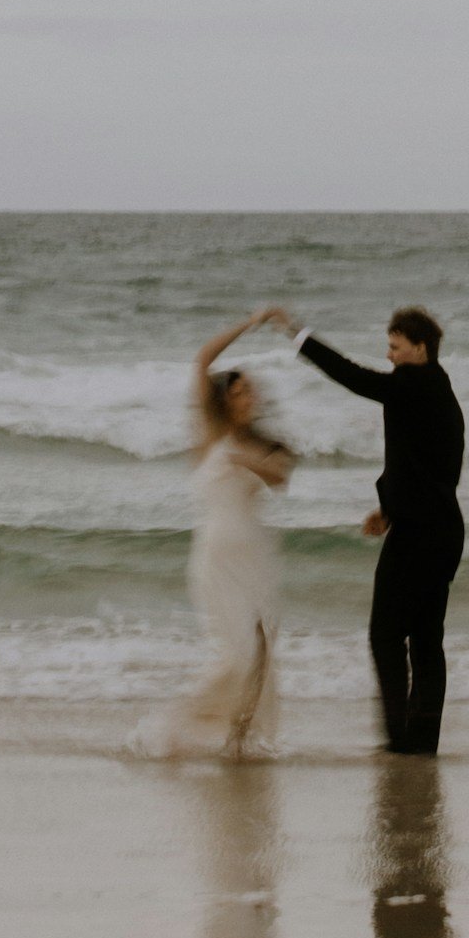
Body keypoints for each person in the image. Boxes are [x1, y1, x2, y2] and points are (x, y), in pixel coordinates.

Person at [265, 304, 464, 754]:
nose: (389, 355)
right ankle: (422, 741)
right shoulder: (440, 386)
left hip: (417, 536)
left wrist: (297, 335)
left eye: (395, 347)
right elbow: (428, 465)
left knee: (385, 636)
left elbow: (350, 375)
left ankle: (398, 738)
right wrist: (388, 510)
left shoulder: (410, 386)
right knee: (427, 641)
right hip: (443, 531)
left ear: (420, 347)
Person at [150, 311, 293, 759]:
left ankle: (240, 740)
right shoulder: (210, 435)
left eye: (251, 389)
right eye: (240, 389)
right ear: (226, 400)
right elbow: (203, 359)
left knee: (262, 655)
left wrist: (250, 462)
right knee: (237, 656)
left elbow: (280, 475)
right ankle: (178, 723)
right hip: (215, 558)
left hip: (254, 558)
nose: (250, 394)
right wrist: (251, 322)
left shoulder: (263, 445)